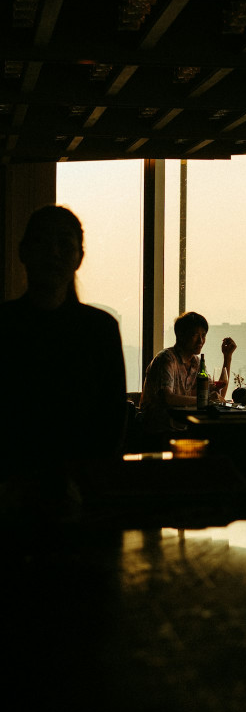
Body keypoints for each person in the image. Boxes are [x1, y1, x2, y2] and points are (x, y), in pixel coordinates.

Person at [0, 205, 127, 515]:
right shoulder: (99, 329)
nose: (53, 253)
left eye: (63, 244)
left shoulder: (101, 330)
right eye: (42, 242)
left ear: (78, 257)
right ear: (23, 252)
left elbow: (110, 421)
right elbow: (110, 423)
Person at [139, 311, 236, 429]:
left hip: (183, 427)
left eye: (203, 335)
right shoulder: (166, 358)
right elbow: (167, 398)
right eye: (195, 335)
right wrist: (205, 400)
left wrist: (227, 357)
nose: (201, 341)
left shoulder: (197, 363)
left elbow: (217, 394)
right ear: (180, 335)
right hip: (157, 430)